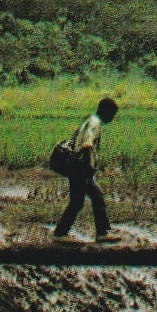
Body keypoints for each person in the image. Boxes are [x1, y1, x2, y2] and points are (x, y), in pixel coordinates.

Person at [54, 97, 119, 243]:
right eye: (112, 114)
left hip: (78, 166)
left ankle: (101, 232)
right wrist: (92, 164)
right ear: (105, 111)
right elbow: (87, 145)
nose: (112, 118)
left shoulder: (90, 120)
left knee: (94, 197)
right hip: (81, 167)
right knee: (80, 201)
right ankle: (61, 234)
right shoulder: (95, 124)